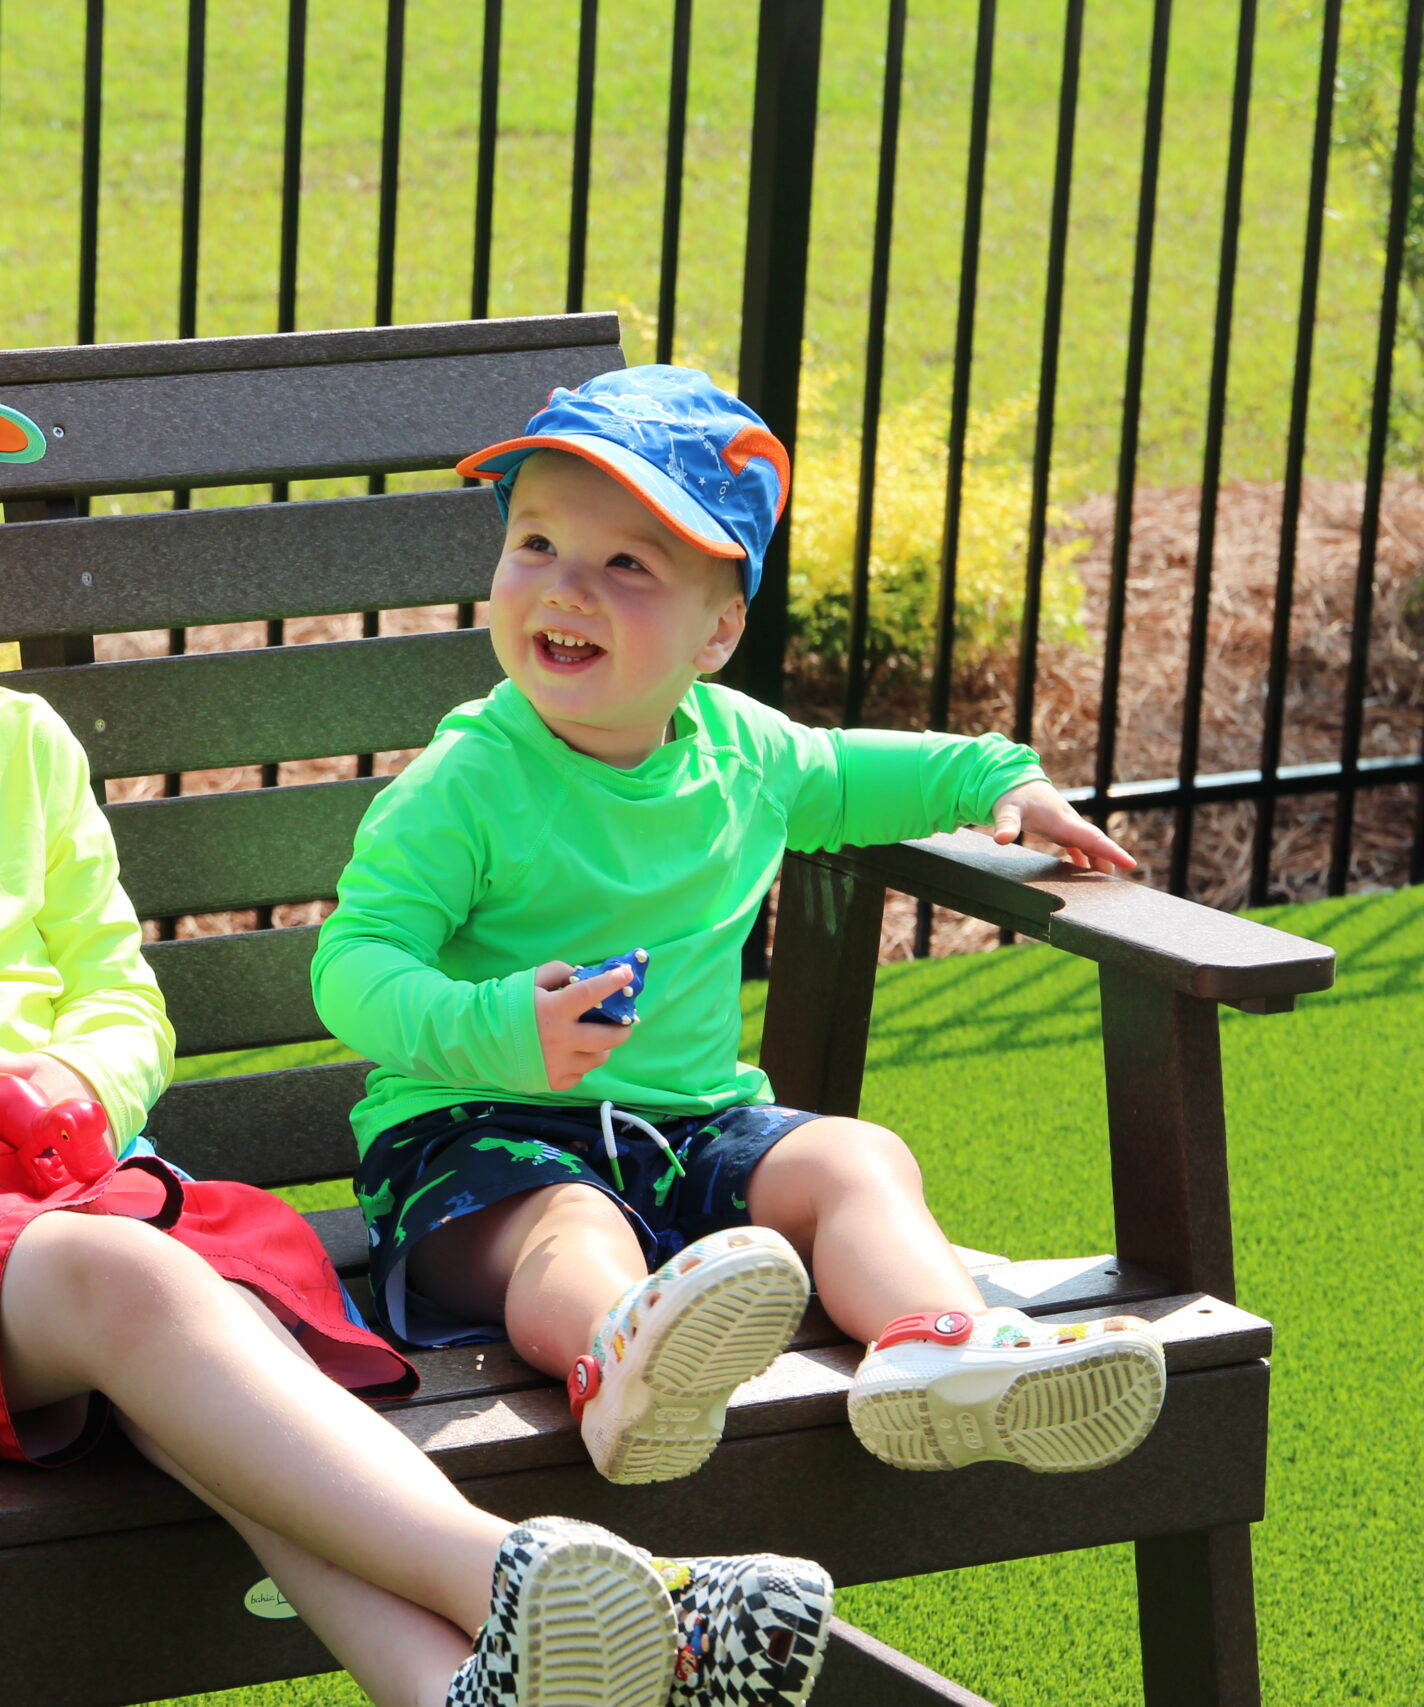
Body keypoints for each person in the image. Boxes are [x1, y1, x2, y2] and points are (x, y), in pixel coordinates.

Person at [0, 285, 835, 1707]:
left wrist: (85, 1080)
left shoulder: (19, 746)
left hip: (65, 1208)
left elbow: (121, 1002)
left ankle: (450, 1686)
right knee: (153, 1286)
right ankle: (546, 1579)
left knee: (227, 1372)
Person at [312, 366, 1169, 1491]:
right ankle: (625, 1364)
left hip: (692, 1132)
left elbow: (865, 773)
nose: (565, 587)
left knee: (856, 1157)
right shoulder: (465, 781)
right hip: (476, 1142)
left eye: (625, 564)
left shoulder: (746, 754)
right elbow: (351, 965)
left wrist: (1003, 779)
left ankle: (944, 1351)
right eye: (536, 544)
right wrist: (498, 1027)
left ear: (716, 633)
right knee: (571, 1221)